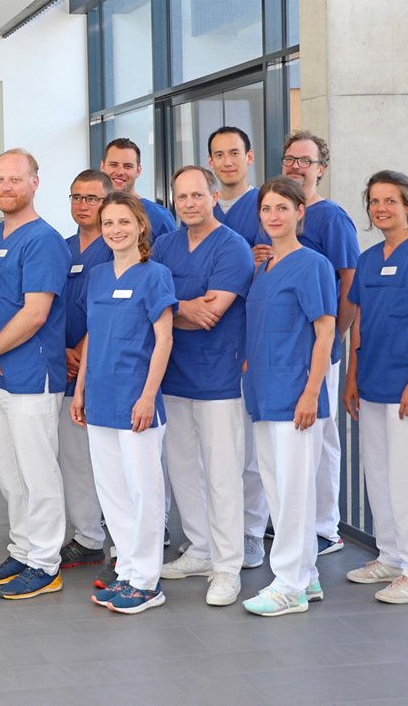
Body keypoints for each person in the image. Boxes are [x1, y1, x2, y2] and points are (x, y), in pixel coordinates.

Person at [0, 148, 71, 600]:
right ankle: (23, 549)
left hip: (31, 375)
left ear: (34, 182)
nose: (6, 188)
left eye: (16, 179)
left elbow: (34, 314)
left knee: (37, 472)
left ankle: (46, 563)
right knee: (9, 474)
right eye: (0, 179)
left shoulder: (44, 240)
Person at [344, 171, 408, 604]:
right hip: (371, 383)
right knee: (380, 476)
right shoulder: (369, 259)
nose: (381, 208)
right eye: (374, 201)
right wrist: (351, 376)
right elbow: (359, 323)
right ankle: (389, 557)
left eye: (390, 200)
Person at [70, 190, 176, 614]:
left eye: (123, 222)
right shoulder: (97, 277)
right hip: (100, 399)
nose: (115, 230)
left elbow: (164, 338)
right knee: (112, 492)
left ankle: (148, 581)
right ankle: (128, 570)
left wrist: (148, 396)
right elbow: (94, 335)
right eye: (109, 223)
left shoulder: (155, 275)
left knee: (143, 491)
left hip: (137, 401)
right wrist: (79, 390)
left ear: (140, 226)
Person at [153, 166, 253, 606]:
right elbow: (147, 301)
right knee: (183, 470)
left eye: (197, 195)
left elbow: (213, 311)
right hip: (174, 375)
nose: (189, 203)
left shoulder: (233, 248)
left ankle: (227, 566)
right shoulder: (163, 245)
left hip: (218, 377)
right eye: (182, 196)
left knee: (222, 474)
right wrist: (181, 308)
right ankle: (199, 549)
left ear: (214, 196)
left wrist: (171, 307)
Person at [256, 132, 358, 557]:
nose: (296, 165)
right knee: (289, 457)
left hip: (315, 350)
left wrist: (333, 342)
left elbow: (348, 284)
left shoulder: (330, 219)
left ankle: (323, 527)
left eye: (305, 160)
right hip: (278, 359)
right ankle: (294, 532)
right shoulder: (274, 246)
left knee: (319, 439)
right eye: (289, 159)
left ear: (321, 168)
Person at [241, 177, 337, 617]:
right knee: (278, 488)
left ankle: (290, 586)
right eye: (266, 209)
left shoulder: (312, 264)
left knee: (293, 493)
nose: (273, 216)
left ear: (301, 212)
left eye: (283, 208)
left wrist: (311, 391)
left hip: (295, 393)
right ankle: (308, 576)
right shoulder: (262, 268)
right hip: (264, 392)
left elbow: (325, 331)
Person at [206, 126, 268, 568]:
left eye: (234, 153)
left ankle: (250, 531)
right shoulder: (202, 210)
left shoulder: (263, 207)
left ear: (249, 157)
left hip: (251, 338)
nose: (226, 161)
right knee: (216, 449)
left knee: (249, 447)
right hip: (207, 348)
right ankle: (212, 533)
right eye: (218, 154)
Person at [57, 169, 113, 570]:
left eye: (91, 198)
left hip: (105, 365)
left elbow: (113, 309)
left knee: (111, 458)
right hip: (64, 367)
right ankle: (88, 535)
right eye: (76, 197)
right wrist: (62, 349)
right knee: (74, 456)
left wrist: (83, 349)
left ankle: (125, 540)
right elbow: (48, 303)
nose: (82, 205)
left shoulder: (118, 247)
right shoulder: (61, 248)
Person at [100, 138, 176, 242]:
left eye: (128, 166)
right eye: (114, 165)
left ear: (138, 170)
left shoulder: (159, 216)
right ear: (102, 166)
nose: (120, 172)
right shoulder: (93, 211)